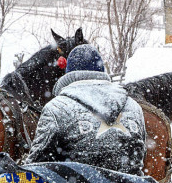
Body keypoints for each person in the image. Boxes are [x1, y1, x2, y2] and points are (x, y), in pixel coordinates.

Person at [22, 44, 146, 175]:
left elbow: (34, 167)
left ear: (68, 73)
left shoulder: (57, 108)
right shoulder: (133, 106)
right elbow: (141, 155)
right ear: (101, 71)